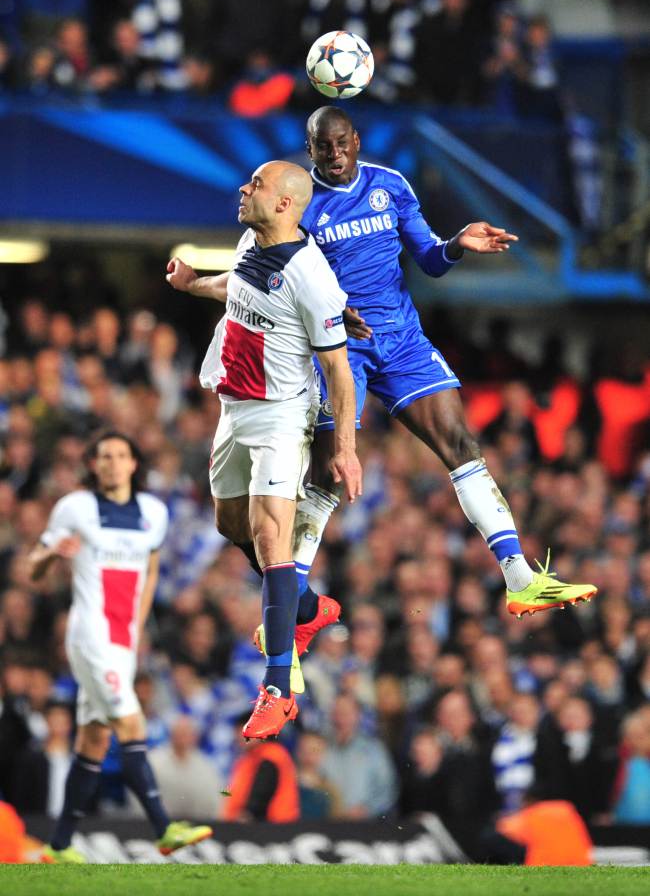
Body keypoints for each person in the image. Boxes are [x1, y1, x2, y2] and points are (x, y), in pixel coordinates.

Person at [293, 105, 596, 624]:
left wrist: (457, 243)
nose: (336, 154)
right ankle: (287, 604)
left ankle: (520, 578)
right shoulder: (297, 203)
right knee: (327, 473)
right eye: (325, 146)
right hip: (340, 349)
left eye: (344, 143)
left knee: (462, 445)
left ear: (358, 141)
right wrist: (326, 310)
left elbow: (429, 258)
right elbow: (283, 281)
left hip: (403, 340)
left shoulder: (390, 185)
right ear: (311, 149)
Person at [166, 159, 361, 741]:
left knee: (271, 536)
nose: (244, 190)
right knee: (232, 525)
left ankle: (277, 688)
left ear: (284, 204)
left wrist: (345, 449)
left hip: (281, 415)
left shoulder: (312, 277)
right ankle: (306, 608)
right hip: (235, 406)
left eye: (256, 185)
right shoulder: (254, 238)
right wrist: (194, 284)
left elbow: (339, 371)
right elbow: (239, 284)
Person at [29, 431, 212, 864]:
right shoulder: (75, 508)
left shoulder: (153, 512)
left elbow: (149, 571)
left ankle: (58, 845)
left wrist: (135, 628)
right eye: (104, 456)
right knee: (132, 724)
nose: (112, 463)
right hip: (90, 634)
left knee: (94, 739)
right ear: (93, 465)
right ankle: (164, 829)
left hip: (122, 638)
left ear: (134, 463)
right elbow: (34, 567)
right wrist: (53, 555)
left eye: (121, 455)